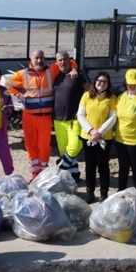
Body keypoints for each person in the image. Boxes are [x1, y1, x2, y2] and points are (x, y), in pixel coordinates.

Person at [5, 49, 59, 181]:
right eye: (36, 58)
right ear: (31, 59)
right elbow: (8, 83)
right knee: (31, 146)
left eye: (41, 57)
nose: (39, 60)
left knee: (45, 146)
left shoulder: (51, 70)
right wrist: (19, 95)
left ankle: (43, 173)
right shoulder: (23, 74)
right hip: (29, 117)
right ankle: (35, 175)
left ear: (44, 58)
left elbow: (69, 62)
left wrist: (74, 69)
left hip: (45, 117)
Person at [77, 71, 117, 203]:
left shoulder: (111, 98)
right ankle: (90, 192)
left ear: (108, 84)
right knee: (90, 165)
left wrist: (99, 132)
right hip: (88, 137)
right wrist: (91, 131)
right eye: (99, 81)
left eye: (105, 81)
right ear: (95, 82)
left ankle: (104, 193)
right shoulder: (86, 96)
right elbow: (81, 115)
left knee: (103, 165)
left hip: (105, 137)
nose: (101, 83)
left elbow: (113, 117)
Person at [52, 50, 90, 182]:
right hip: (58, 119)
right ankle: (74, 175)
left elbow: (90, 91)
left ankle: (60, 170)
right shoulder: (56, 75)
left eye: (65, 59)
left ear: (70, 60)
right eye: (60, 60)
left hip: (75, 119)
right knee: (64, 150)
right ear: (57, 62)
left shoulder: (78, 74)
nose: (63, 62)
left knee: (74, 147)